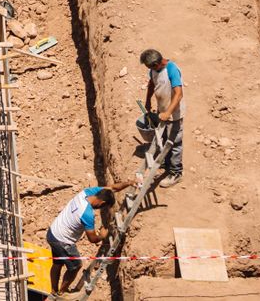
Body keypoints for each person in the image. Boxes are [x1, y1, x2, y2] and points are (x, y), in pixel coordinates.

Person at [46, 182, 131, 296]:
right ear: (102, 203)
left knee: (58, 263)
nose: (101, 209)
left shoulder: (85, 193)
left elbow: (113, 187)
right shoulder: (87, 214)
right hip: (62, 241)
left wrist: (130, 183)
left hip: (53, 232)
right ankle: (62, 292)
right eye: (104, 206)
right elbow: (92, 239)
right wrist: (102, 235)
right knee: (75, 266)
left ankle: (54, 290)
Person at [138, 48, 185, 187]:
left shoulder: (172, 69)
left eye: (149, 67)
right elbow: (152, 84)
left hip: (174, 113)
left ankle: (176, 173)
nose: (148, 70)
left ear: (157, 63)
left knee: (175, 142)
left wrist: (168, 113)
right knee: (164, 138)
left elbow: (178, 94)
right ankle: (166, 163)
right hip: (162, 110)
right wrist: (148, 100)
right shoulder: (154, 70)